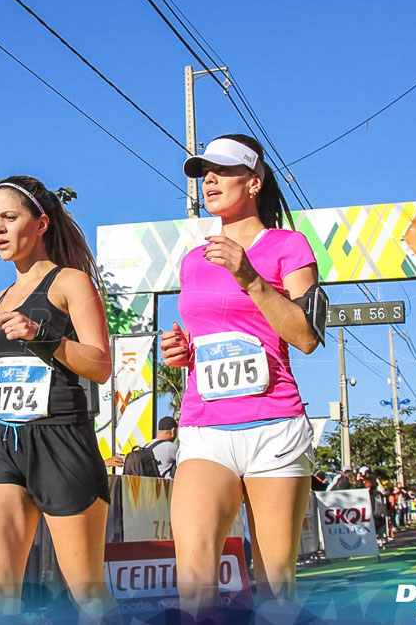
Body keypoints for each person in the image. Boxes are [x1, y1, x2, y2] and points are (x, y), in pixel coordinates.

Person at [161, 134, 326, 614]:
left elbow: (307, 337)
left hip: (273, 427)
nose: (208, 179)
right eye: (203, 172)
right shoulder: (194, 261)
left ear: (253, 182)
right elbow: (213, 342)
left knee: (275, 587)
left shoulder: (287, 247)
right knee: (193, 582)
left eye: (222, 170)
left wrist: (250, 277)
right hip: (205, 427)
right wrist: (183, 352)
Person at [0, 175, 114, 619]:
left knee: (87, 593)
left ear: (41, 223)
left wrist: (41, 335)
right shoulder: (0, 296)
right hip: (2, 441)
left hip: (60, 438)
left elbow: (100, 366)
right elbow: (20, 369)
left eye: (10, 218)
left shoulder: (71, 282)